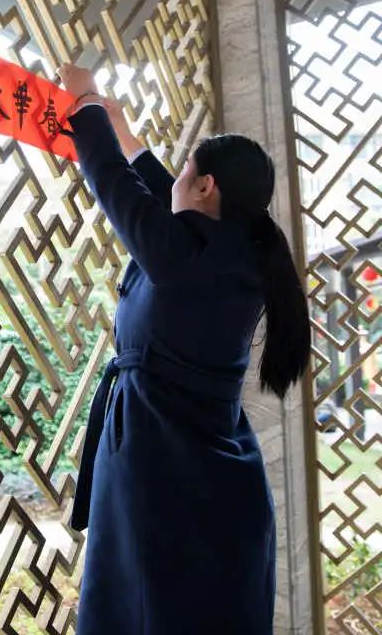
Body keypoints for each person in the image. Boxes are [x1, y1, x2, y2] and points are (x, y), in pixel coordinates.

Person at [55, 63, 311, 635]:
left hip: (161, 474)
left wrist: (87, 102)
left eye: (187, 173)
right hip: (207, 479)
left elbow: (113, 183)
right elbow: (160, 193)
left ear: (206, 187)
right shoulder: (235, 252)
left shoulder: (181, 254)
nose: (176, 181)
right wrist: (123, 130)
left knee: (145, 610)